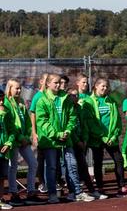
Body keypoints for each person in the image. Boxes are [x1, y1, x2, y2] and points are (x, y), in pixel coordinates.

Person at [36, 74, 95, 203]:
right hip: (51, 141)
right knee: (52, 167)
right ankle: (52, 194)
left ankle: (76, 192)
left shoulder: (66, 98)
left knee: (72, 165)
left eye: (59, 83)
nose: (58, 85)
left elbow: (72, 116)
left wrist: (67, 131)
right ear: (48, 84)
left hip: (66, 139)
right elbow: (42, 121)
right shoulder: (42, 100)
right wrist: (57, 134)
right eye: (55, 83)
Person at [81, 78, 127, 198]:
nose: (105, 88)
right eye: (102, 86)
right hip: (97, 139)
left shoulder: (111, 101)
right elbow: (90, 123)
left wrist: (114, 135)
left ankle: (121, 187)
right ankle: (100, 188)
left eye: (106, 87)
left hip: (112, 138)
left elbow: (117, 120)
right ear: (96, 86)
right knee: (98, 162)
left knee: (119, 160)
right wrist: (102, 136)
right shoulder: (88, 102)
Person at [5, 79, 45, 205]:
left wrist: (28, 136)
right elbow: (10, 124)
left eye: (19, 88)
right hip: (13, 141)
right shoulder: (6, 103)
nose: (18, 90)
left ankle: (31, 192)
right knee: (13, 167)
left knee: (33, 163)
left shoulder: (21, 102)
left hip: (23, 140)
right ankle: (13, 193)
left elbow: (27, 121)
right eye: (16, 88)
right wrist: (18, 137)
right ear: (9, 89)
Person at [67, 88, 108, 200]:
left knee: (83, 167)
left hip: (81, 142)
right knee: (71, 167)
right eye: (72, 95)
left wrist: (84, 139)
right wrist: (77, 141)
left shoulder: (80, 108)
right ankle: (72, 192)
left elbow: (84, 125)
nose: (75, 98)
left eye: (76, 95)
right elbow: (69, 127)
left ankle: (92, 191)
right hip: (70, 142)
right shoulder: (67, 109)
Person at [0, 89, 15, 210]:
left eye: (2, 98)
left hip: (4, 151)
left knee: (2, 176)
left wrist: (9, 143)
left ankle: (0, 199)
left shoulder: (6, 111)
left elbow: (12, 130)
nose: (1, 101)